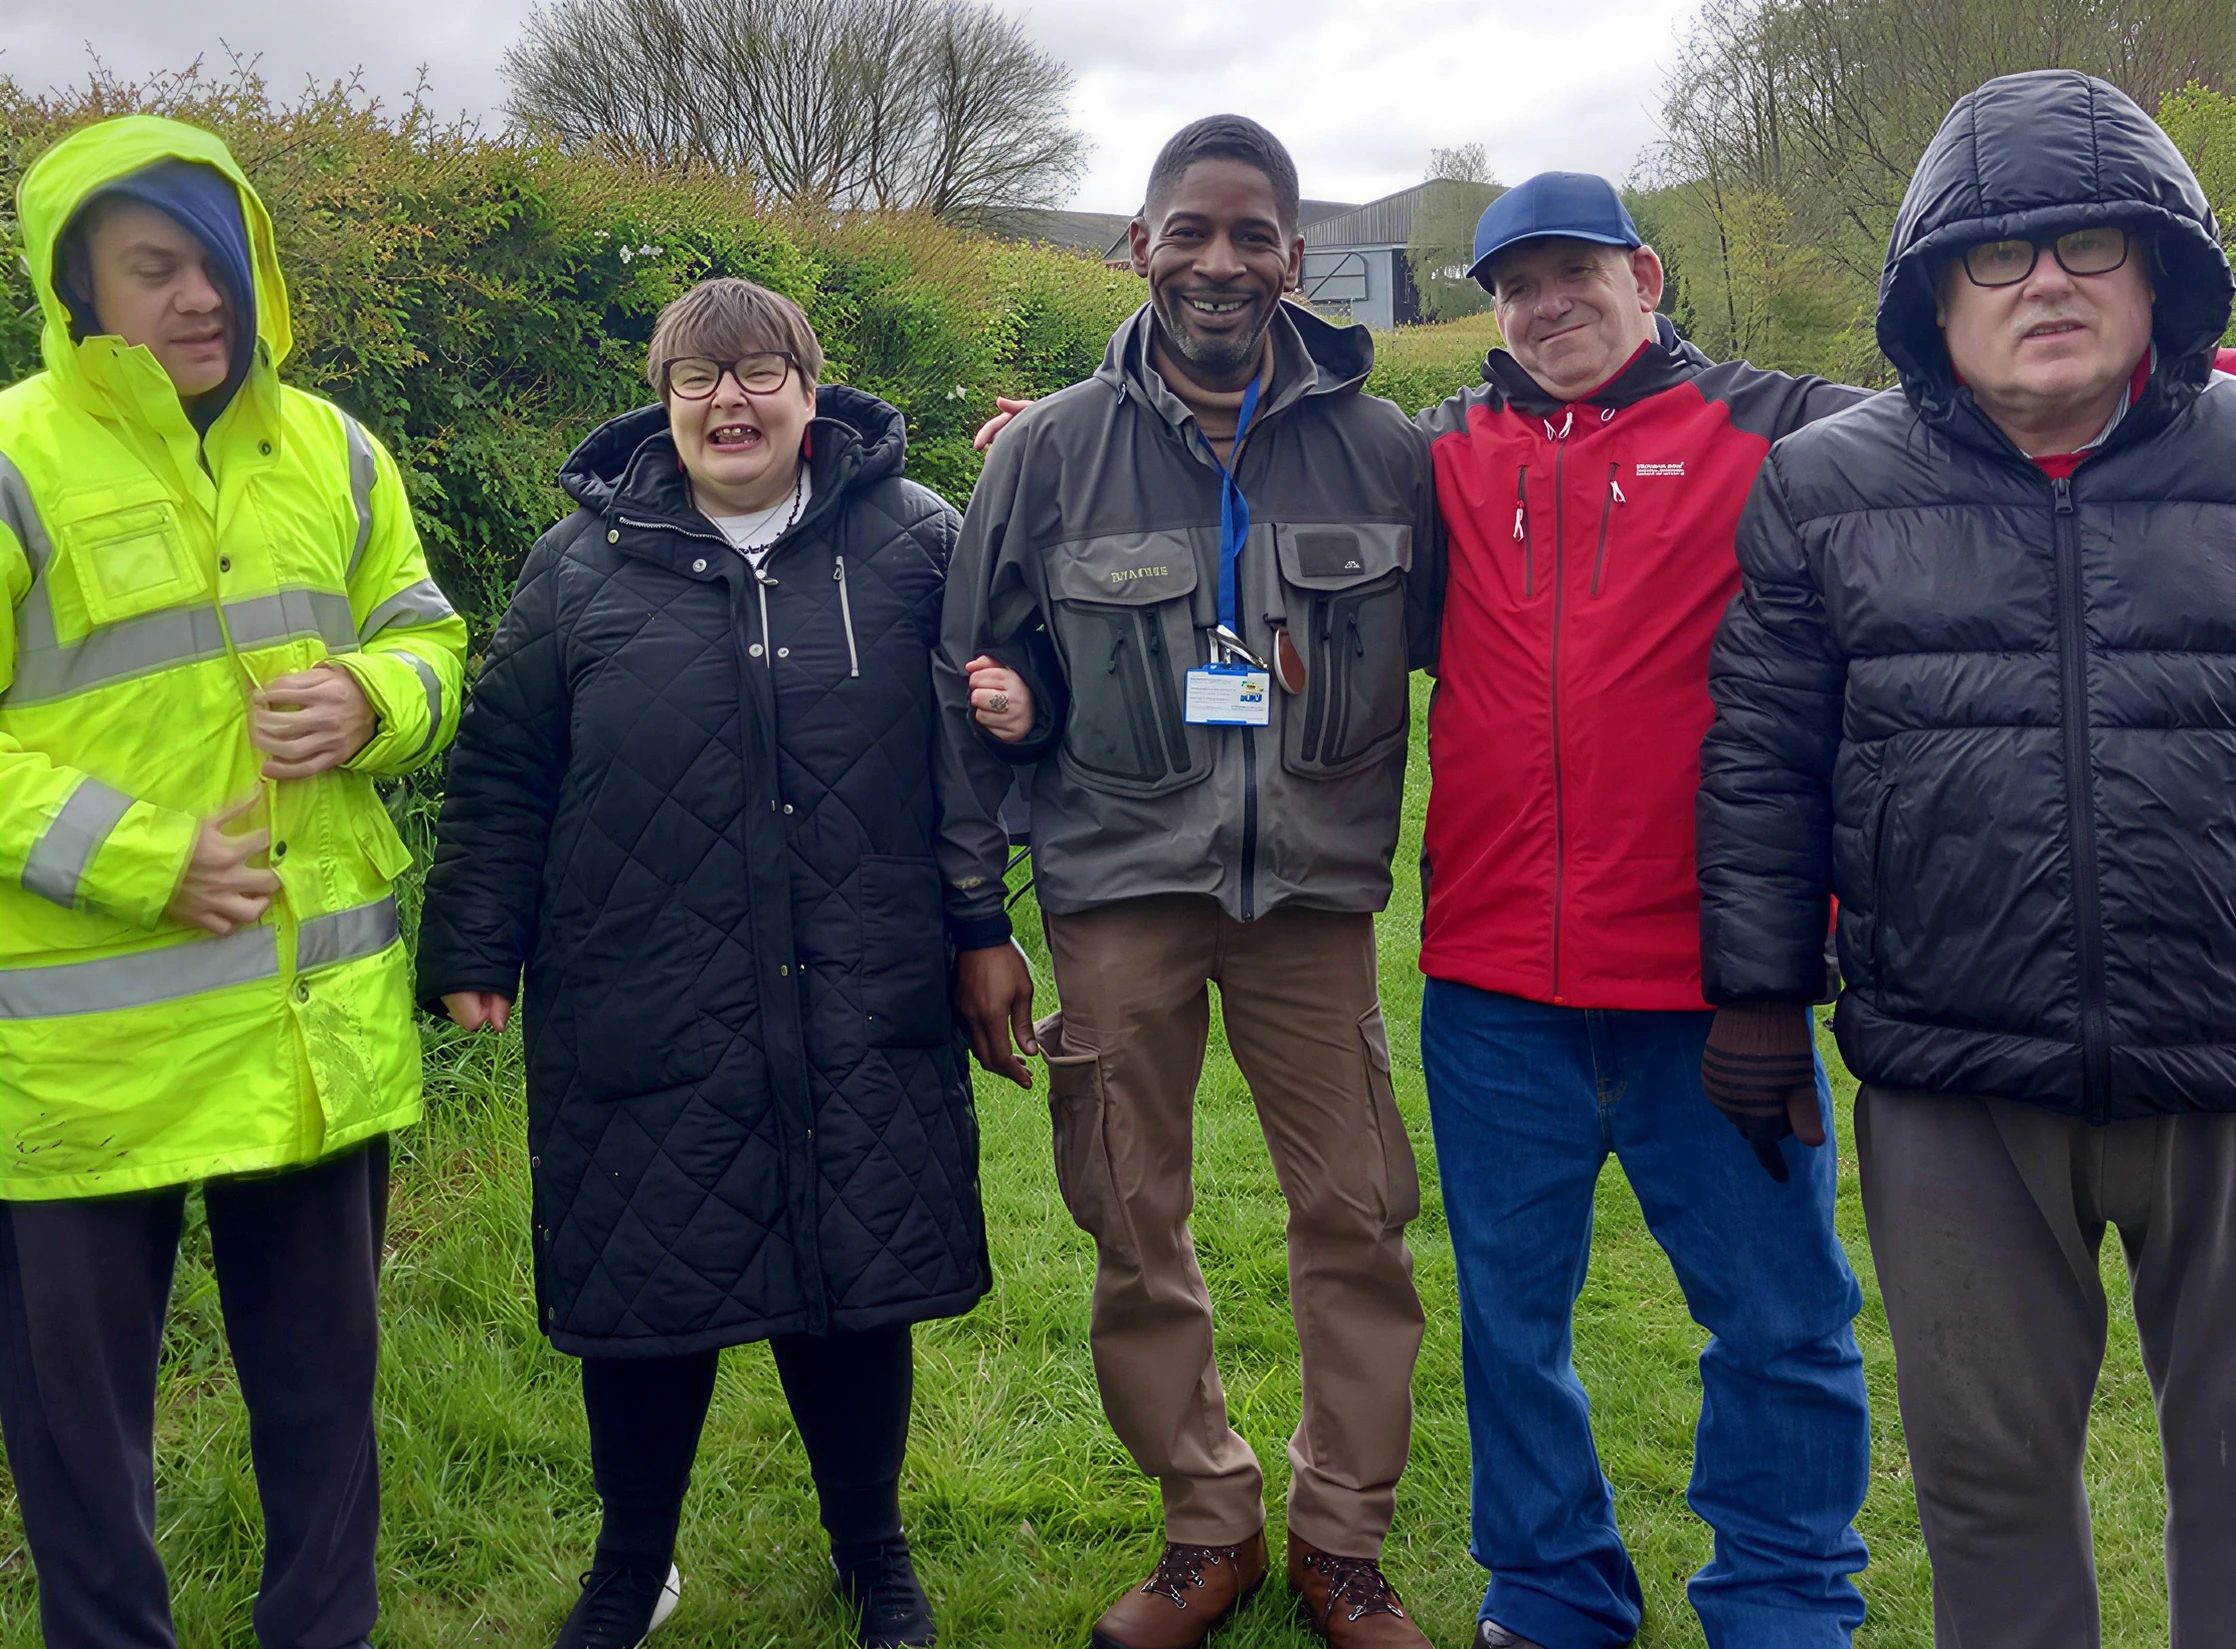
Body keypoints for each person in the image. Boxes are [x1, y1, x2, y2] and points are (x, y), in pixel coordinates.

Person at [1697, 69, 2236, 1646]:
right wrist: (1754, 995)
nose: (2046, 279)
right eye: (1997, 253)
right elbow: (1763, 757)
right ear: (1935, 294)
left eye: (2087, 240)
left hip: (2231, 1048)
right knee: (1986, 1477)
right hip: (1951, 1069)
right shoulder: (1826, 485)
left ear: (2162, 270)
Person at [415, 277, 1016, 1649]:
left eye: (757, 373)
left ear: (812, 391)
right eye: (696, 379)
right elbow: (506, 767)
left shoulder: (917, 540)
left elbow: (990, 735)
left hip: (857, 975)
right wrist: (472, 940)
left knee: (852, 1280)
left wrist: (987, 907)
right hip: (639, 981)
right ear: (663, 399)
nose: (727, 402)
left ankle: (875, 1554)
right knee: (646, 1287)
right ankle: (631, 1565)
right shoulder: (578, 564)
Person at [943, 115, 1442, 1649]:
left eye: (1252, 235)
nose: (1220, 262)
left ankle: (1340, 1541)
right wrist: (977, 918)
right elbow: (969, 680)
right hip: (1113, 895)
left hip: (1310, 902)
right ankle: (1207, 1526)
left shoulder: (1386, 450)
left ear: (1298, 257)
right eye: (1189, 230)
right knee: (1131, 1218)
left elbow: (1467, 653)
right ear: (1137, 245)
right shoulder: (1041, 454)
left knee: (1355, 1213)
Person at [0, 115, 465, 1648]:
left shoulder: (336, 448)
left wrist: (376, 701)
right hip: (87, 1066)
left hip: (307, 1043)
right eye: (154, 270)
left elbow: (433, 634)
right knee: (81, 1451)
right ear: (77, 289)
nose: (198, 300)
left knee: (328, 1420)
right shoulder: (11, 461)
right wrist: (141, 858)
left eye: (219, 264)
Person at [1412, 172, 1874, 1649]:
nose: (1547, 305)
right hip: (1493, 985)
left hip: (1712, 982)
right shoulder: (1446, 452)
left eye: (1574, 273)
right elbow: (1245, 456)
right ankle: (1549, 1592)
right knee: (1508, 1325)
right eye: (1515, 285)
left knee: (1781, 1320)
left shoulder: (1783, 427)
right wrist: (1071, 424)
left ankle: (1785, 1597)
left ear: (1647, 272)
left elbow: (1990, 401)